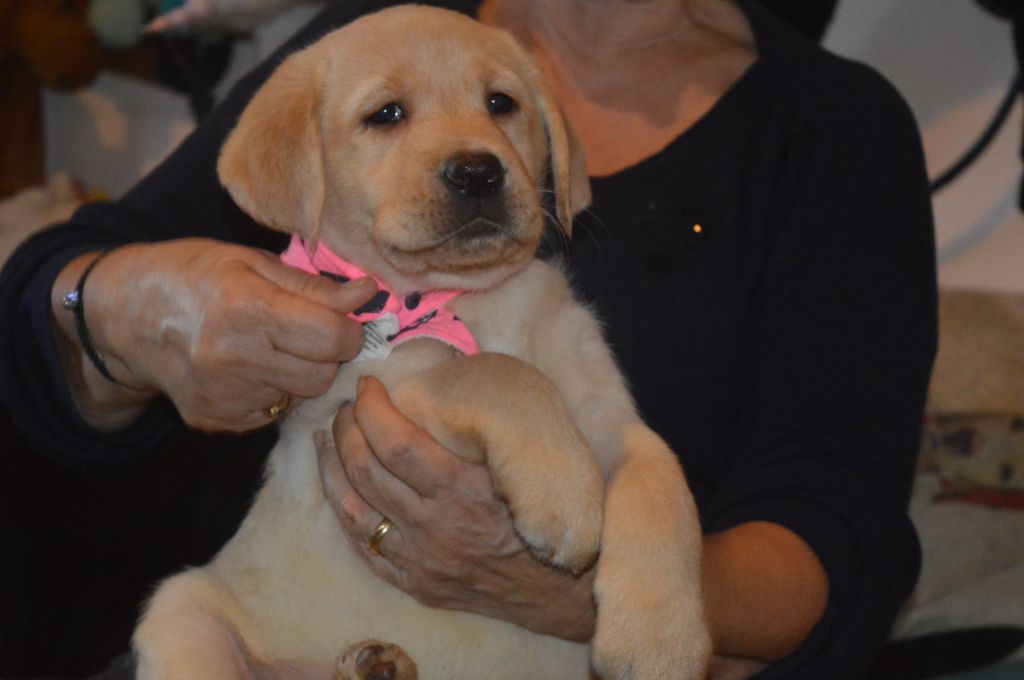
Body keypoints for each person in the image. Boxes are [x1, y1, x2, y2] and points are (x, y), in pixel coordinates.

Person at [0, 0, 937, 678]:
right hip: (256, 635)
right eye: (388, 116)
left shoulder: (831, 126)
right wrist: (127, 307)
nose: (471, 153)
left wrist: (600, 588)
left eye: (501, 110)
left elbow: (842, 531)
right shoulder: (366, 36)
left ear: (549, 154)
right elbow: (53, 294)